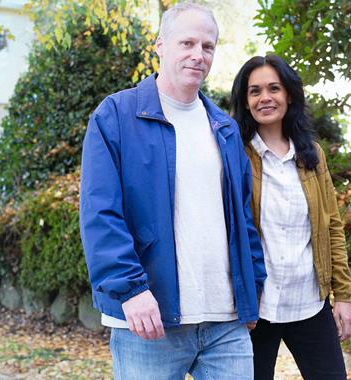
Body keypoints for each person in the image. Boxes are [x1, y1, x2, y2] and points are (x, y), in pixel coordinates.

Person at [79, 3, 266, 379]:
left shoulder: (225, 129)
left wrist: (253, 292)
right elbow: (100, 213)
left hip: (227, 325)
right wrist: (130, 290)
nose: (198, 55)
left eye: (208, 46)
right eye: (187, 43)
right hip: (149, 322)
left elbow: (243, 220)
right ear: (161, 45)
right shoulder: (115, 115)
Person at [231, 54, 351, 380]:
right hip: (256, 310)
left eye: (274, 88)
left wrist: (343, 295)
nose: (265, 97)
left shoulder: (311, 154)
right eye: (255, 91)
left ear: (289, 95)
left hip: (309, 302)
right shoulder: (235, 154)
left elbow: (332, 225)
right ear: (245, 101)